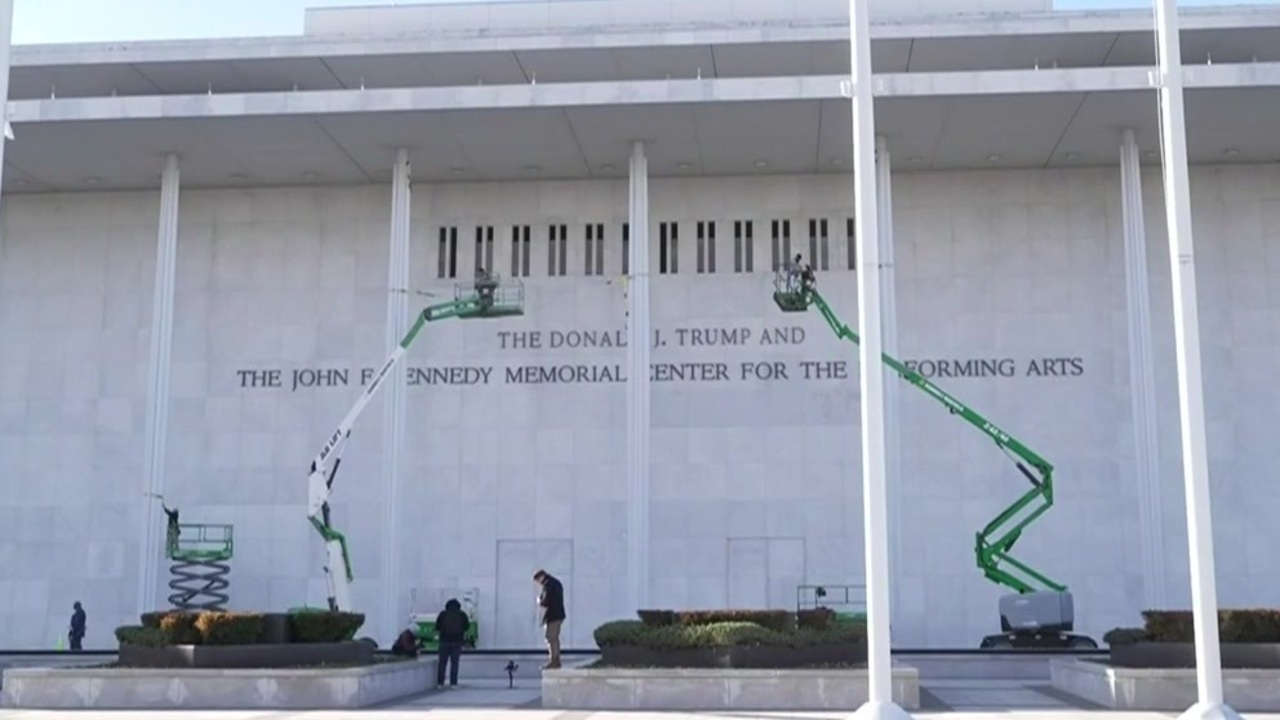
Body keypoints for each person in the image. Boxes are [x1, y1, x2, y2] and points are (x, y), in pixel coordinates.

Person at [533, 569, 566, 669]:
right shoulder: (556, 582)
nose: (539, 583)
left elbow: (546, 601)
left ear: (541, 577)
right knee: (555, 638)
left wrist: (539, 601)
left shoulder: (548, 585)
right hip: (559, 614)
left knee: (550, 638)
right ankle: (556, 660)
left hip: (552, 616)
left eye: (538, 581)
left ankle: (554, 661)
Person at [434, 598, 469, 688]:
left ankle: (440, 683)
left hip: (444, 641)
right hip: (457, 642)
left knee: (442, 663)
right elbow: (466, 627)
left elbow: (437, 627)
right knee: (454, 663)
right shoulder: (462, 614)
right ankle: (453, 683)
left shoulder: (443, 614)